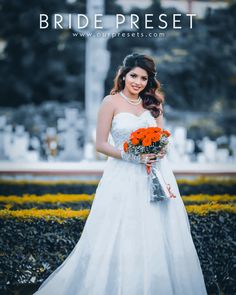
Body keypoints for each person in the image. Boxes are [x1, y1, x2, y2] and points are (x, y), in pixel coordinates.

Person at [34, 53, 208, 295]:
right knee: (122, 230)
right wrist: (133, 157)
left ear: (149, 81)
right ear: (124, 75)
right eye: (133, 76)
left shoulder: (154, 103)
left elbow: (162, 138)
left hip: (155, 173)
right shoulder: (110, 102)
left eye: (144, 78)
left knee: (159, 232)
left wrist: (160, 150)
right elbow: (100, 144)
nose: (138, 82)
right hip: (123, 174)